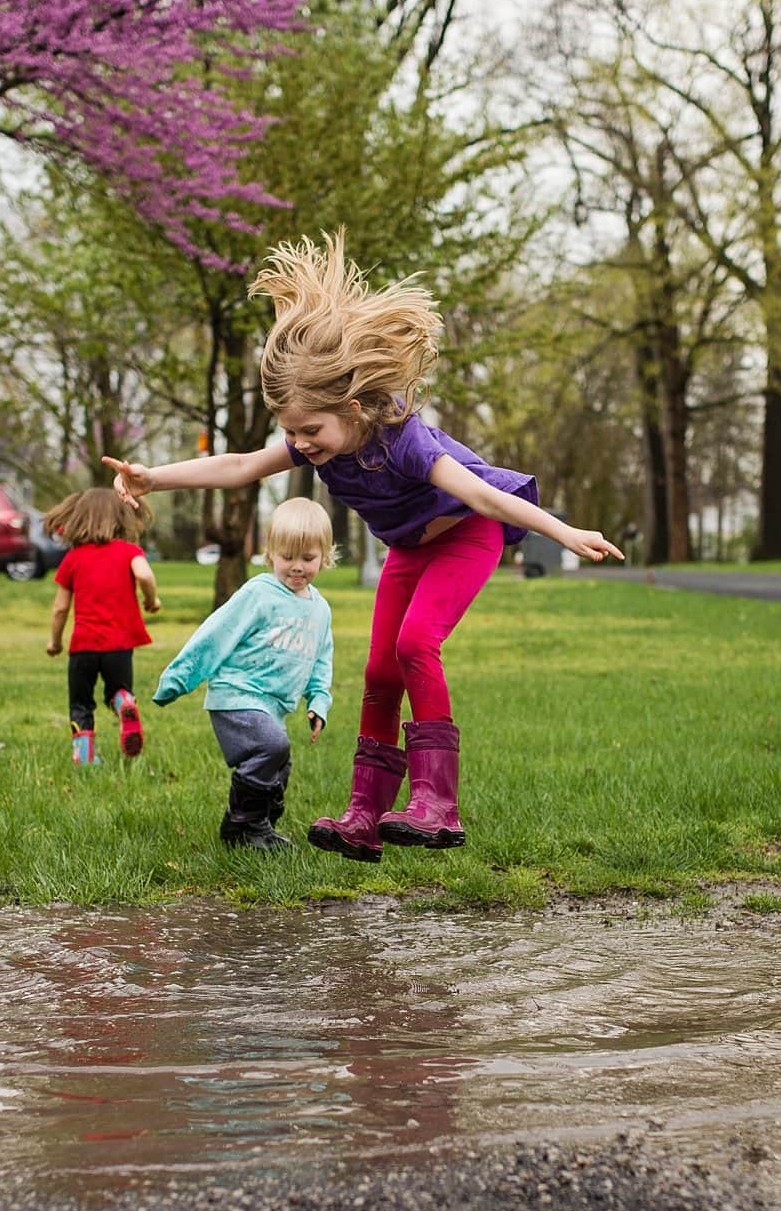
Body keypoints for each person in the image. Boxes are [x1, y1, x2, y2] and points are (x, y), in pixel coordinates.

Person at [106, 232, 622, 860]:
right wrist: (153, 477)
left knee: (414, 645)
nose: (300, 441)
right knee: (379, 672)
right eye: (290, 430)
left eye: (311, 429)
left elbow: (484, 497)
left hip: (466, 536)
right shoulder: (312, 435)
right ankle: (364, 814)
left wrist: (564, 532)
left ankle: (437, 804)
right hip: (410, 548)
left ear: (351, 408)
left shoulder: (405, 441)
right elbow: (240, 464)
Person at [153, 497, 335, 849]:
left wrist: (319, 700)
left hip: (272, 706)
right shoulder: (259, 593)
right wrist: (179, 677)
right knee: (272, 746)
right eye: (287, 557)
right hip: (236, 694)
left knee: (279, 766)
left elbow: (321, 658)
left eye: (308, 558)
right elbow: (217, 632)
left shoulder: (320, 609)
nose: (296, 567)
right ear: (270, 553)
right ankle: (241, 825)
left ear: (324, 557)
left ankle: (258, 828)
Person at [44, 489, 162, 765]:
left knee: (81, 703)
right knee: (117, 689)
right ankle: (123, 702)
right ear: (123, 518)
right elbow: (144, 573)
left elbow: (60, 608)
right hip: (119, 647)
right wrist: (151, 599)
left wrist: (55, 642)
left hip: (83, 647)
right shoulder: (130, 551)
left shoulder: (73, 558)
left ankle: (85, 756)